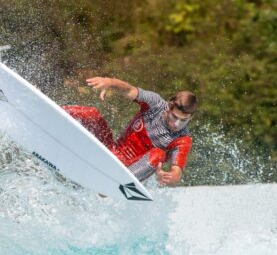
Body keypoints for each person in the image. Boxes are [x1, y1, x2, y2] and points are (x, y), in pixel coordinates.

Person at [62, 77, 197, 186]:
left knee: (158, 153)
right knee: (92, 113)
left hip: (129, 171)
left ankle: (119, 182)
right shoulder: (155, 104)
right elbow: (129, 90)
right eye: (174, 117)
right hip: (112, 152)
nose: (177, 124)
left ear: (190, 117)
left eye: (183, 120)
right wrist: (110, 82)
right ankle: (49, 111)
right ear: (168, 107)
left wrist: (169, 178)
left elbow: (176, 172)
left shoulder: (183, 139)